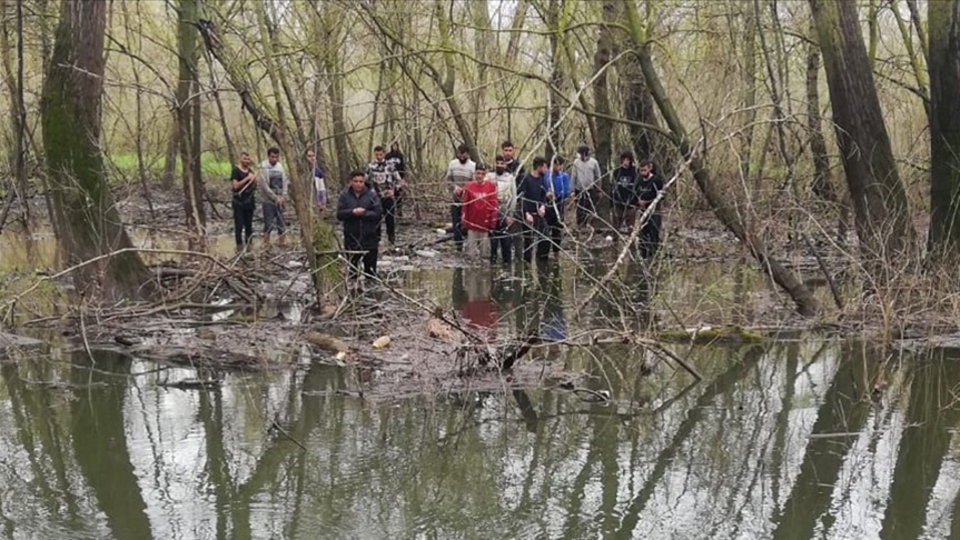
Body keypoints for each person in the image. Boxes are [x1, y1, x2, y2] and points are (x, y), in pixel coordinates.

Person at [337, 171, 383, 284]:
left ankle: (372, 298)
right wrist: (352, 212)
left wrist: (364, 213)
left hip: (370, 238)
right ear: (351, 182)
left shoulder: (372, 195)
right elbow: (339, 214)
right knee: (352, 272)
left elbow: (378, 213)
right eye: (356, 181)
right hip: (351, 238)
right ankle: (353, 296)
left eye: (361, 181)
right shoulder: (344, 196)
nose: (358, 184)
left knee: (371, 272)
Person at [364, 145, 402, 245]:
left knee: (390, 218)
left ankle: (391, 238)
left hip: (388, 196)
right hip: (375, 197)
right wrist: (369, 192)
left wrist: (394, 191)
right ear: (374, 154)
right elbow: (365, 181)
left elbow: (398, 179)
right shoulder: (371, 166)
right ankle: (376, 239)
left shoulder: (390, 166)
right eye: (377, 155)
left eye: (380, 154)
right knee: (376, 218)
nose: (379, 157)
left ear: (384, 154)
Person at [461, 163, 498, 261]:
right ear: (474, 173)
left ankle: (484, 275)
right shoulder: (469, 186)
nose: (480, 176)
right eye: (478, 173)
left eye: (482, 174)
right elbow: (465, 206)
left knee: (484, 255)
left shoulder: (490, 187)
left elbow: (493, 206)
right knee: (471, 255)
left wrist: (492, 224)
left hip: (484, 226)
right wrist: (464, 223)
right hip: (472, 225)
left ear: (485, 174)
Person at [444, 143, 476, 252]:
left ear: (468, 154)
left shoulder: (472, 166)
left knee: (467, 222)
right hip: (455, 198)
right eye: (460, 155)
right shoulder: (453, 164)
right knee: (455, 221)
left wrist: (466, 190)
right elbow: (448, 180)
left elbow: (475, 183)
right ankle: (458, 244)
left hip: (468, 200)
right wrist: (454, 188)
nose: (462, 157)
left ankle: (469, 243)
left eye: (464, 155)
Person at [518, 157, 550, 263]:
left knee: (546, 237)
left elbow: (543, 195)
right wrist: (526, 213)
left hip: (539, 214)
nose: (546, 170)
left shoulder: (542, 179)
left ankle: (542, 262)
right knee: (528, 242)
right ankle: (527, 265)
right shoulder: (525, 178)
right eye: (544, 167)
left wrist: (543, 206)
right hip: (528, 215)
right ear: (539, 166)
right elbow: (522, 197)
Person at [489, 155, 517, 265]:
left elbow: (513, 197)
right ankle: (493, 264)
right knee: (493, 242)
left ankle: (507, 265)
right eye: (498, 163)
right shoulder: (489, 177)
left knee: (506, 242)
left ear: (505, 165)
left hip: (505, 212)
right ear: (494, 164)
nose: (500, 165)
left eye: (502, 163)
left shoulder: (510, 178)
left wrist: (510, 214)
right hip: (492, 213)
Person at [259, 147, 289, 247]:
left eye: (276, 157)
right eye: (272, 157)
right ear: (268, 156)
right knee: (268, 224)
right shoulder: (263, 167)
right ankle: (266, 245)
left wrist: (283, 196)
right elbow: (264, 185)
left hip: (281, 200)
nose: (274, 159)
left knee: (281, 224)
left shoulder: (280, 167)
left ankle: (282, 244)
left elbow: (285, 181)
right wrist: (274, 197)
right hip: (268, 201)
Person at [636, 158, 664, 258]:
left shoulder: (656, 180)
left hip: (654, 210)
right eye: (641, 170)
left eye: (645, 170)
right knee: (643, 232)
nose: (643, 173)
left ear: (649, 169)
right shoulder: (639, 179)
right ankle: (643, 254)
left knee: (654, 232)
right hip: (642, 210)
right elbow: (635, 192)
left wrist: (647, 202)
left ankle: (654, 254)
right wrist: (638, 201)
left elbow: (660, 196)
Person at [229, 151, 257, 250]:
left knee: (249, 226)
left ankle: (249, 246)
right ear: (240, 159)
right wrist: (247, 179)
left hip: (249, 202)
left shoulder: (250, 171)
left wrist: (254, 180)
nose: (247, 161)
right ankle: (239, 246)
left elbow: (253, 187)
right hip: (239, 203)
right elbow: (235, 186)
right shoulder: (235, 171)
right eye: (245, 159)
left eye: (248, 159)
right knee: (239, 226)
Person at [543, 156, 570, 256]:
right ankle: (544, 253)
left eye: (560, 165)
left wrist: (558, 195)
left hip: (559, 206)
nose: (558, 167)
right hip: (547, 206)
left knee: (557, 231)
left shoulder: (564, 176)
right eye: (556, 164)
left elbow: (566, 191)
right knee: (545, 230)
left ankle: (556, 253)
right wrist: (547, 194)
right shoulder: (546, 175)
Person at [571, 145, 602, 227]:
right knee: (580, 209)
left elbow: (597, 176)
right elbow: (573, 176)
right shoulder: (576, 162)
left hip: (590, 190)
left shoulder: (594, 162)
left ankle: (589, 225)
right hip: (579, 189)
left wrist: (598, 189)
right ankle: (580, 226)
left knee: (589, 209)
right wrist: (572, 190)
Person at [612, 151, 638, 231]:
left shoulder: (635, 172)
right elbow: (613, 187)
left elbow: (637, 187)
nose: (625, 162)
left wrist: (635, 201)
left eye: (627, 160)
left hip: (631, 204)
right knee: (616, 226)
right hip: (618, 204)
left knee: (630, 227)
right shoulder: (617, 172)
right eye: (624, 160)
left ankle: (631, 242)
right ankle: (615, 242)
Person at [385, 141, 406, 218]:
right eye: (393, 146)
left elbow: (402, 166)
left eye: (396, 146)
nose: (394, 147)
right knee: (389, 194)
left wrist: (402, 178)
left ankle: (399, 210)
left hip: (398, 177)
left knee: (398, 194)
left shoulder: (400, 155)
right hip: (390, 178)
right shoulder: (387, 156)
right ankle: (389, 210)